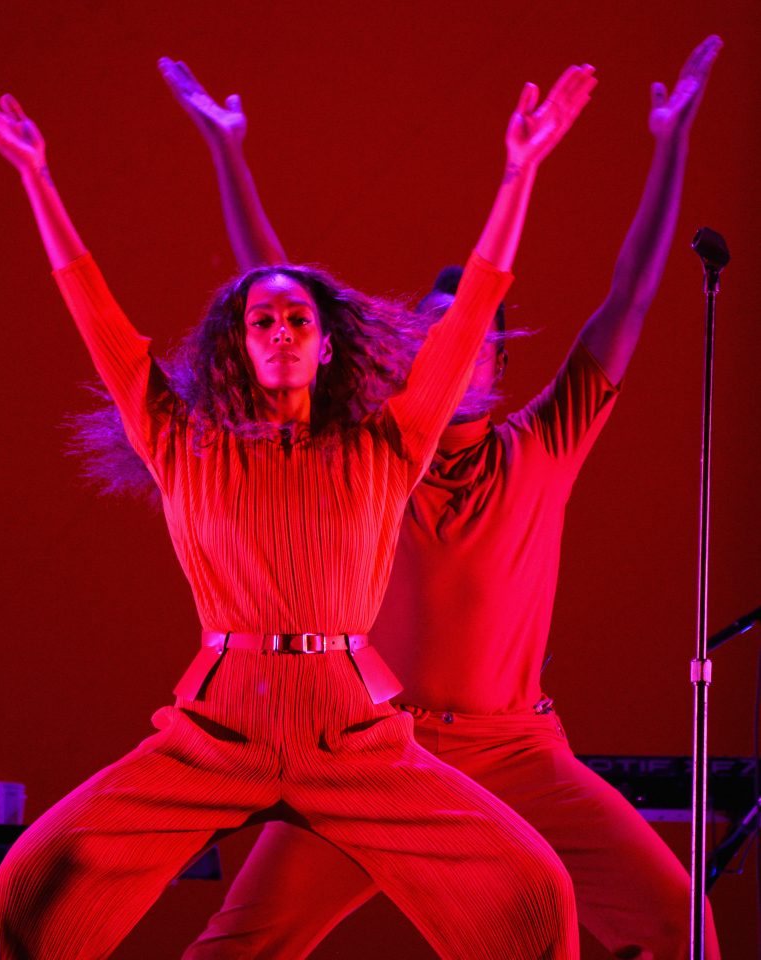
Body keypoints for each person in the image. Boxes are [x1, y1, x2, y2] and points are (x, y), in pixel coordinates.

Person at [0, 58, 597, 960]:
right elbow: (93, 312)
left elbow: (471, 310)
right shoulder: (181, 440)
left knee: (529, 892)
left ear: (328, 345)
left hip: (353, 731)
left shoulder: (388, 443)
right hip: (217, 724)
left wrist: (520, 171)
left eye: (298, 318)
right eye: (262, 320)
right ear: (237, 346)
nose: (282, 329)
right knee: (33, 883)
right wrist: (35, 176)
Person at [158, 36, 722, 960]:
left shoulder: (545, 438)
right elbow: (283, 297)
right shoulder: (372, 452)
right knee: (239, 946)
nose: (447, 354)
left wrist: (672, 142)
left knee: (674, 924)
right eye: (426, 340)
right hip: (375, 758)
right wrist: (227, 146)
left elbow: (633, 290)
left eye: (470, 338)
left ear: (499, 357)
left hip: (519, 755)